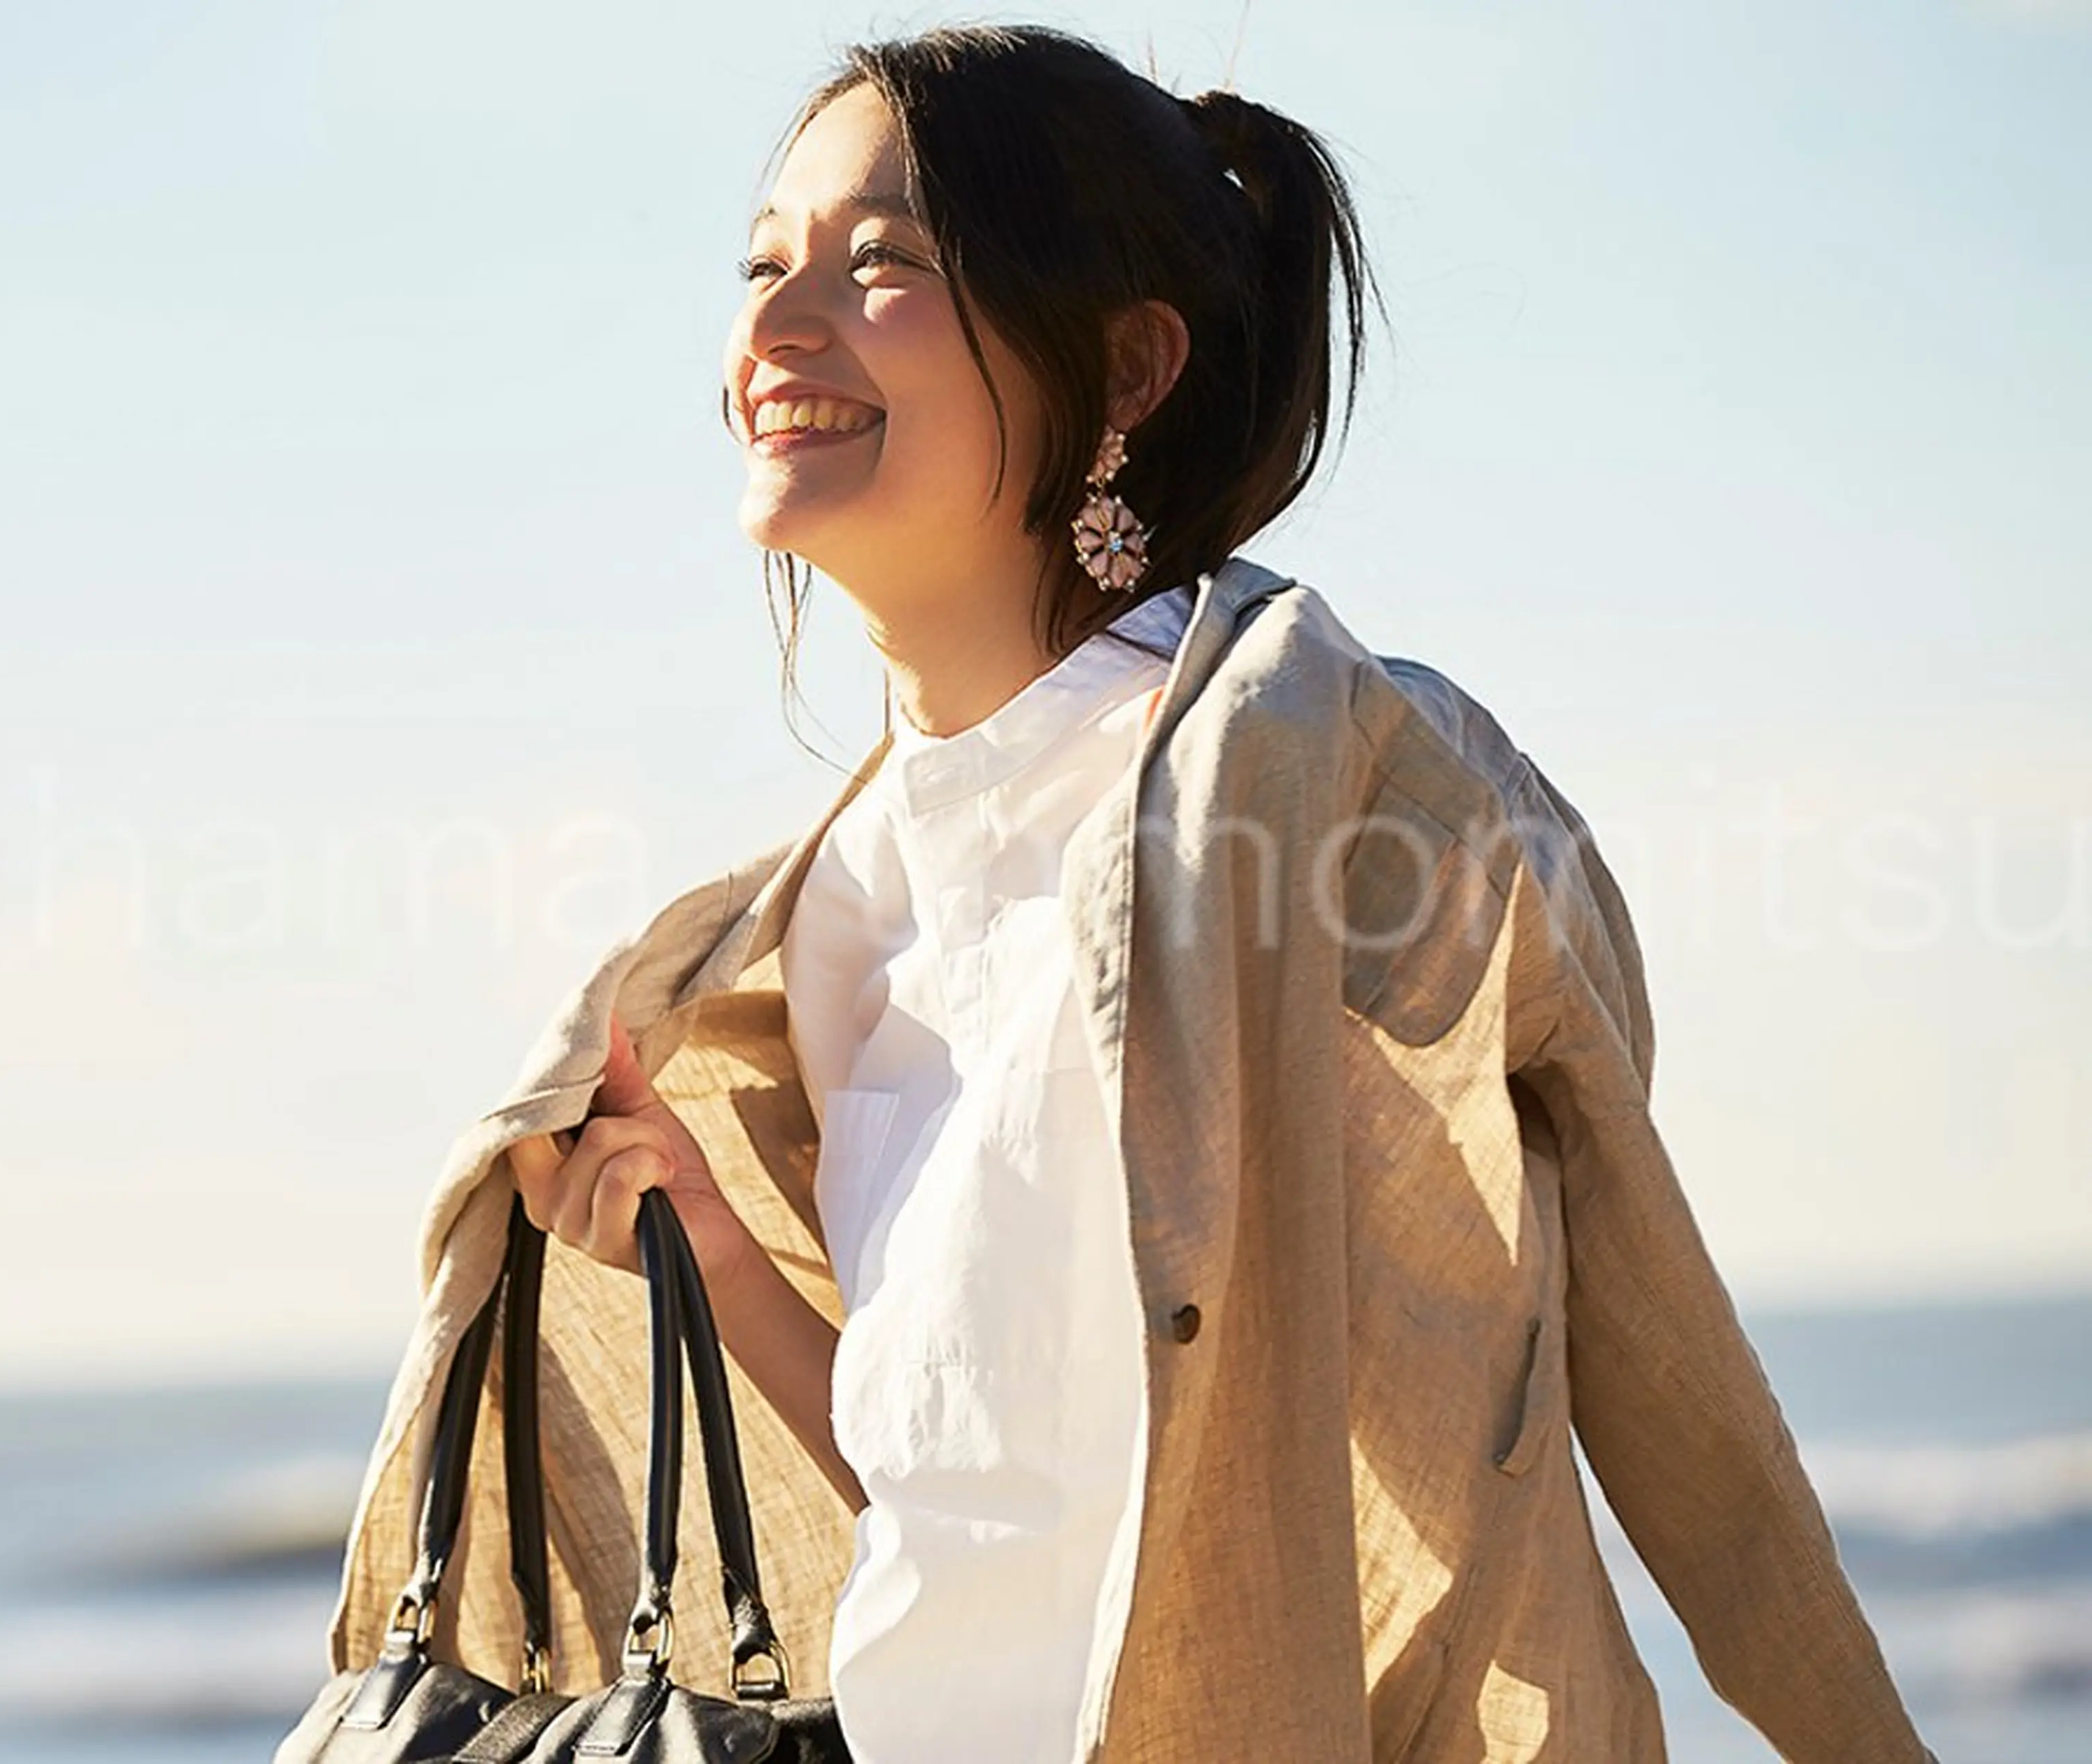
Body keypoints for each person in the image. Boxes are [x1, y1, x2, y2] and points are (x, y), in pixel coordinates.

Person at [280, 24, 1938, 1764]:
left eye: (884, 267)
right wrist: (720, 1254)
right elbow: (991, 1516)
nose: (776, 327)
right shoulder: (844, 897)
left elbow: (1528, 1339)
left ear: (1127, 368)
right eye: (762, 265)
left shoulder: (1307, 810)